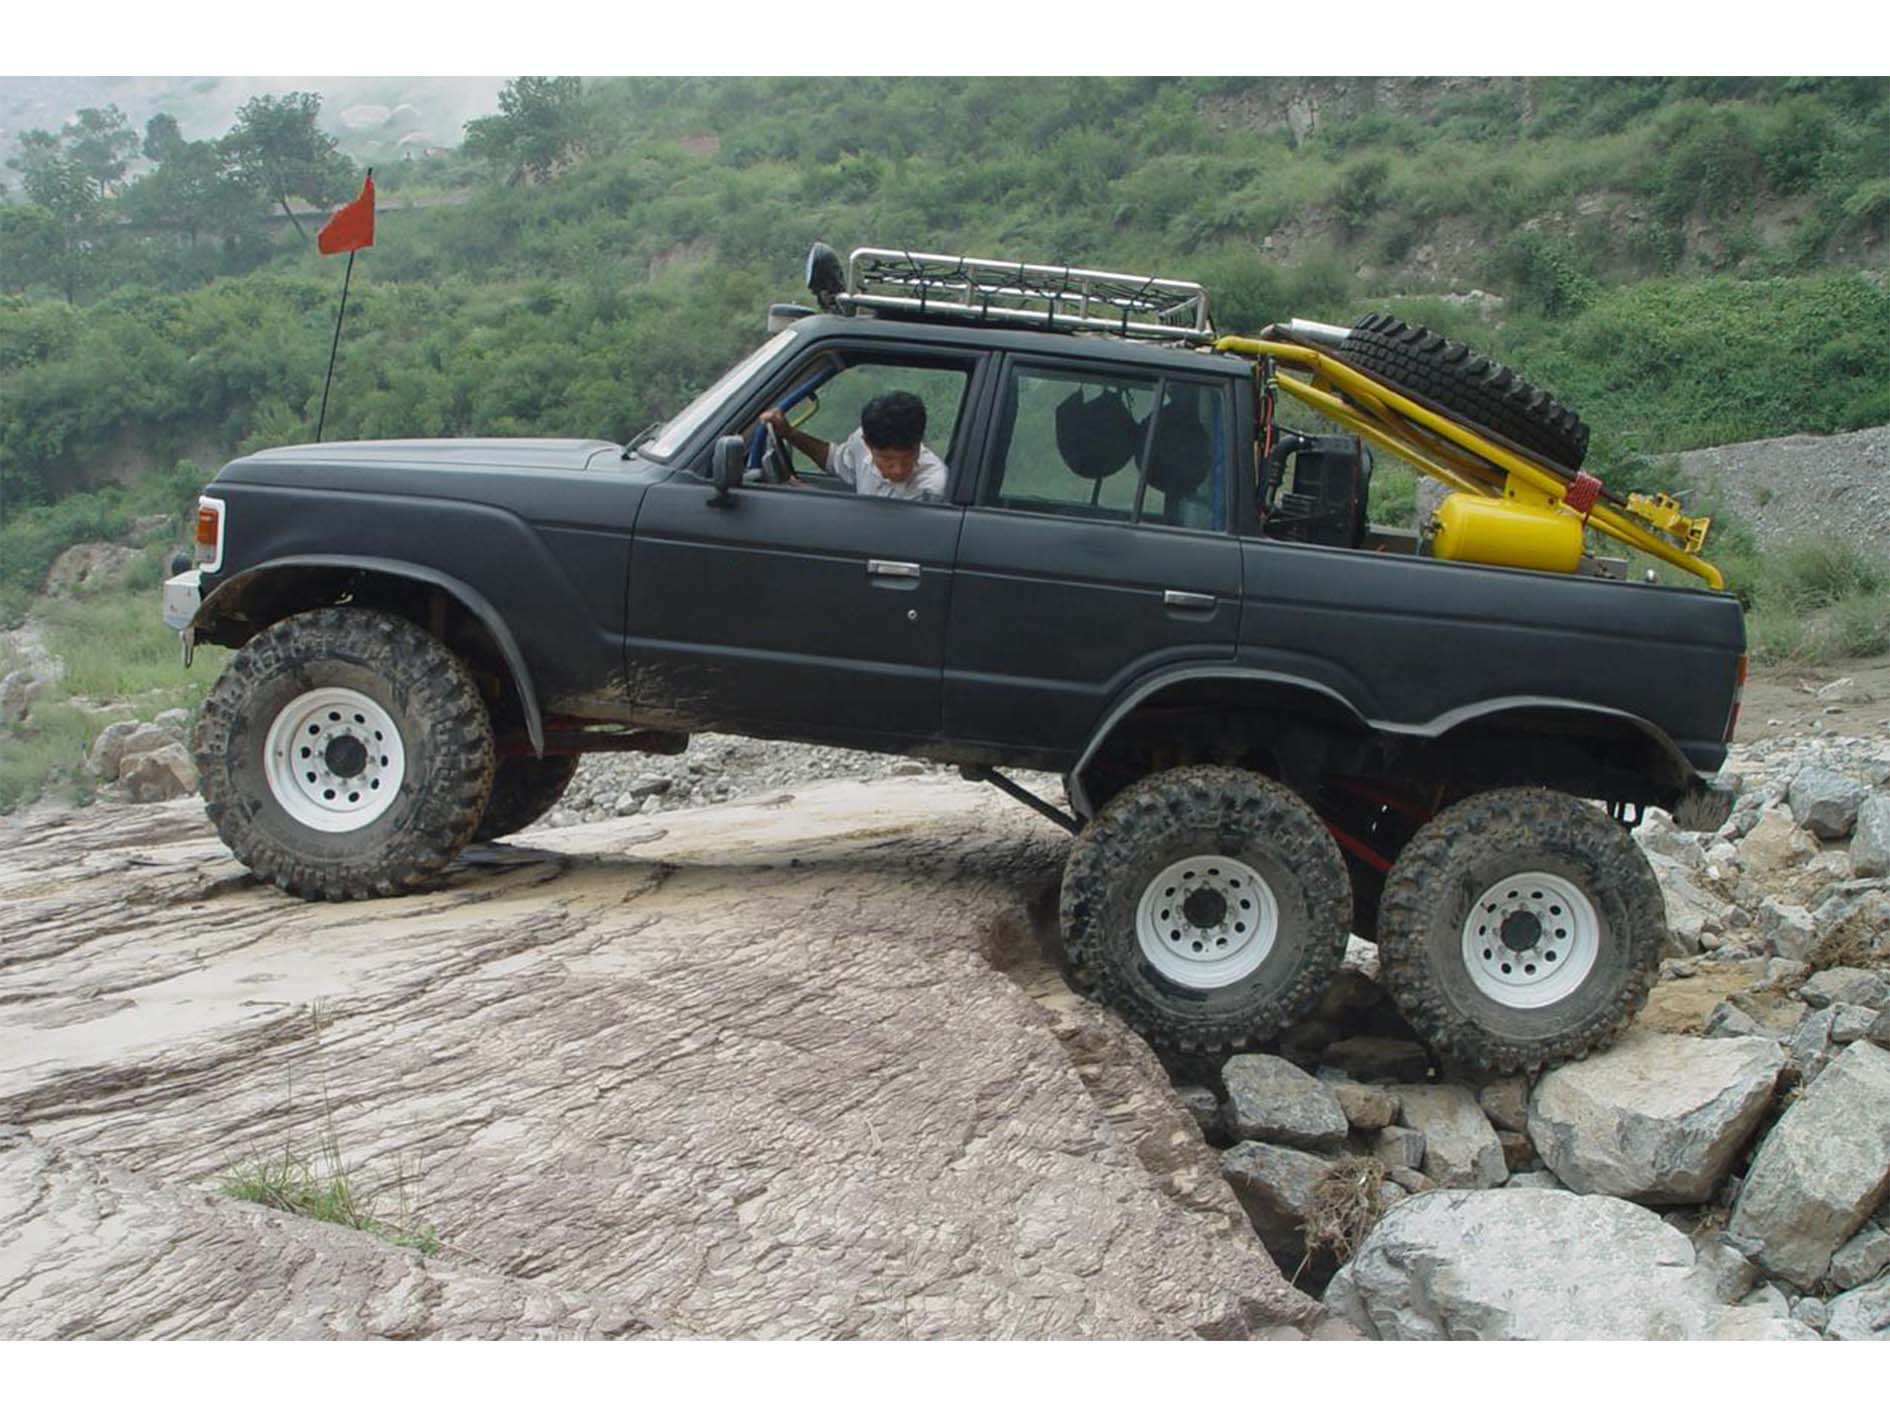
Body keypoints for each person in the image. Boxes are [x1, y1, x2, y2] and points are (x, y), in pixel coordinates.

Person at [759, 390, 948, 501]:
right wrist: (790, 434)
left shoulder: (933, 487)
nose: (898, 470)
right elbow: (833, 459)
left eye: (908, 457)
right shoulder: (859, 443)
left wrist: (806, 493)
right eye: (887, 459)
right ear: (867, 443)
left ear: (919, 443)